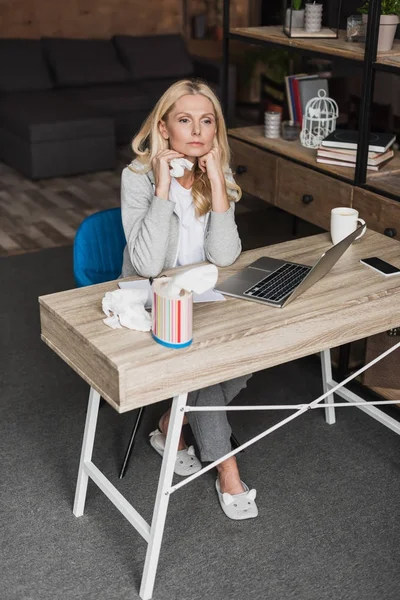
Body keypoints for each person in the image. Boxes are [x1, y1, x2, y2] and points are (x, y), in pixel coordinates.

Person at [120, 79, 257, 520]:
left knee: (251, 357)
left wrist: (216, 178)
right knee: (201, 370)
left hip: (206, 296)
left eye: (206, 120)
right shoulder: (136, 176)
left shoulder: (218, 171)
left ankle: (170, 425)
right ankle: (228, 471)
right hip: (154, 299)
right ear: (163, 128)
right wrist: (163, 186)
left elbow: (224, 255)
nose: (196, 131)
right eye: (184, 120)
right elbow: (145, 264)